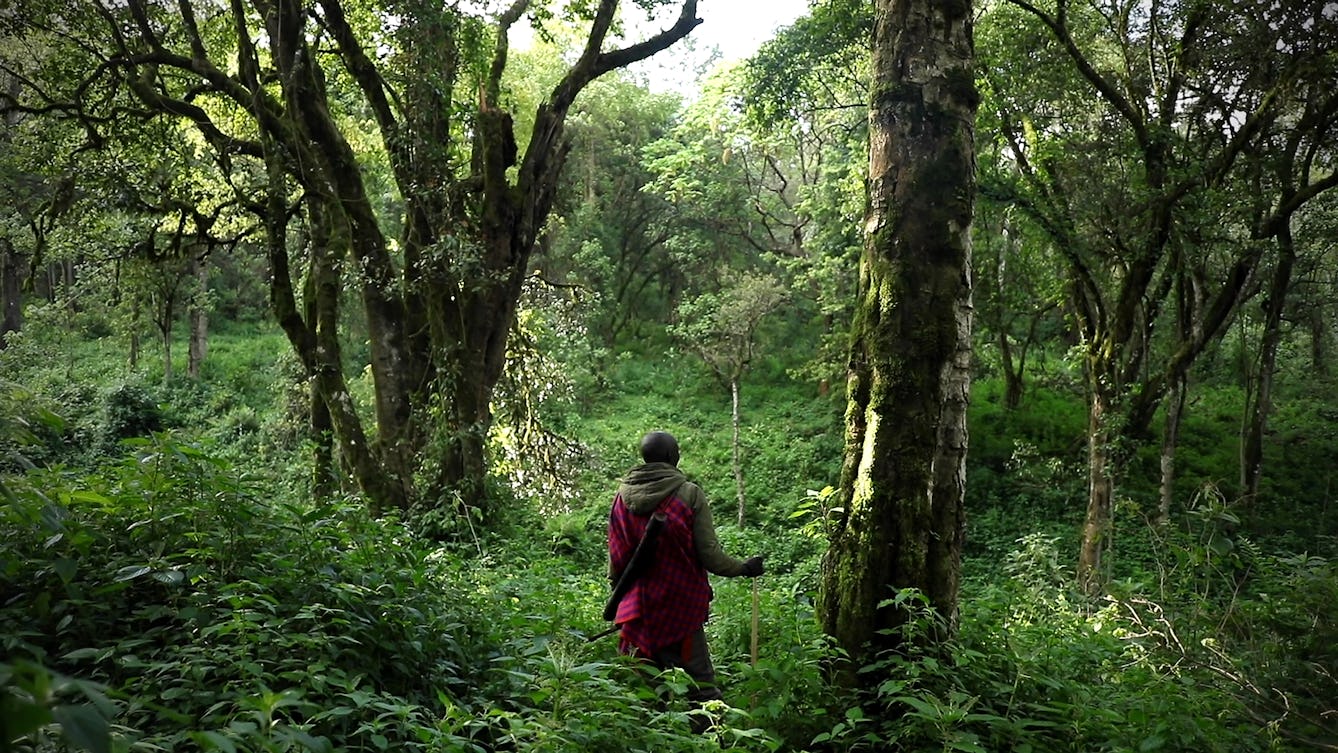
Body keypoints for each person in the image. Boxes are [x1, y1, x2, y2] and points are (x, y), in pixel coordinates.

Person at [606, 430, 764, 732]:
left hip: (637, 610)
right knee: (702, 690)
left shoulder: (621, 499)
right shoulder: (689, 494)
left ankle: (654, 741)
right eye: (676, 452)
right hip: (680, 609)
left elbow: (616, 560)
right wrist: (744, 568)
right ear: (669, 457)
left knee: (649, 696)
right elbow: (710, 556)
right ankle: (709, 742)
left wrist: (619, 598)